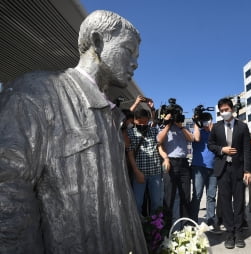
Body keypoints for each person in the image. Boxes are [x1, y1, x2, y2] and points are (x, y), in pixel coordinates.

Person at [0, 10, 147, 254]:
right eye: (128, 51)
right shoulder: (35, 94)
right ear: (99, 42)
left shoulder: (111, 116)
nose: (135, 63)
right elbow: (6, 192)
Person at [208, 97, 251, 249]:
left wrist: (248, 170)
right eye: (221, 111)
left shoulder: (242, 126)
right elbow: (210, 144)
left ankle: (239, 233)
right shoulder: (217, 127)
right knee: (225, 203)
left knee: (239, 202)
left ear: (232, 109)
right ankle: (229, 233)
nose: (224, 113)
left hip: (239, 169)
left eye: (226, 110)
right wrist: (222, 150)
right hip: (223, 169)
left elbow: (247, 149)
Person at [157, 108, 194, 230]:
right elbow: (159, 140)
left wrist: (181, 126)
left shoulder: (183, 128)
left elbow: (191, 139)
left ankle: (185, 227)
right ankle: (167, 228)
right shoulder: (164, 127)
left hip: (184, 163)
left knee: (185, 195)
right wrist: (168, 124)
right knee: (169, 196)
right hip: (170, 163)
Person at [126, 106, 165, 216]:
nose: (143, 124)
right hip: (139, 173)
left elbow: (159, 147)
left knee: (156, 203)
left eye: (145, 121)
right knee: (137, 203)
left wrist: (165, 158)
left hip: (155, 172)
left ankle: (156, 228)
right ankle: (139, 228)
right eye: (140, 122)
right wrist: (136, 172)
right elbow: (130, 154)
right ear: (134, 120)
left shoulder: (154, 130)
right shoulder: (130, 133)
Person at [190, 112, 219, 231]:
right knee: (197, 195)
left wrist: (213, 129)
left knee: (211, 196)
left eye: (208, 120)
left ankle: (211, 221)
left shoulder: (216, 134)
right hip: (199, 167)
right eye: (204, 121)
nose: (206, 123)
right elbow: (195, 138)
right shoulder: (198, 133)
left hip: (213, 168)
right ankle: (192, 221)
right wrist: (196, 123)